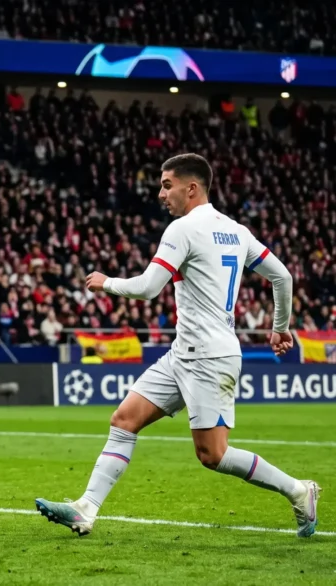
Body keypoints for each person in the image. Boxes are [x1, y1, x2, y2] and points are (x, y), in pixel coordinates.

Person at [35, 153, 321, 538]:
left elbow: (149, 288)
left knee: (213, 455)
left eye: (167, 184)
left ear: (192, 187)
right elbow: (282, 276)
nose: (160, 193)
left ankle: (299, 490)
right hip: (184, 353)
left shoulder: (183, 229)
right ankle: (85, 508)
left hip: (209, 357)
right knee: (124, 420)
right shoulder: (236, 231)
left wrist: (107, 282)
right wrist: (280, 327)